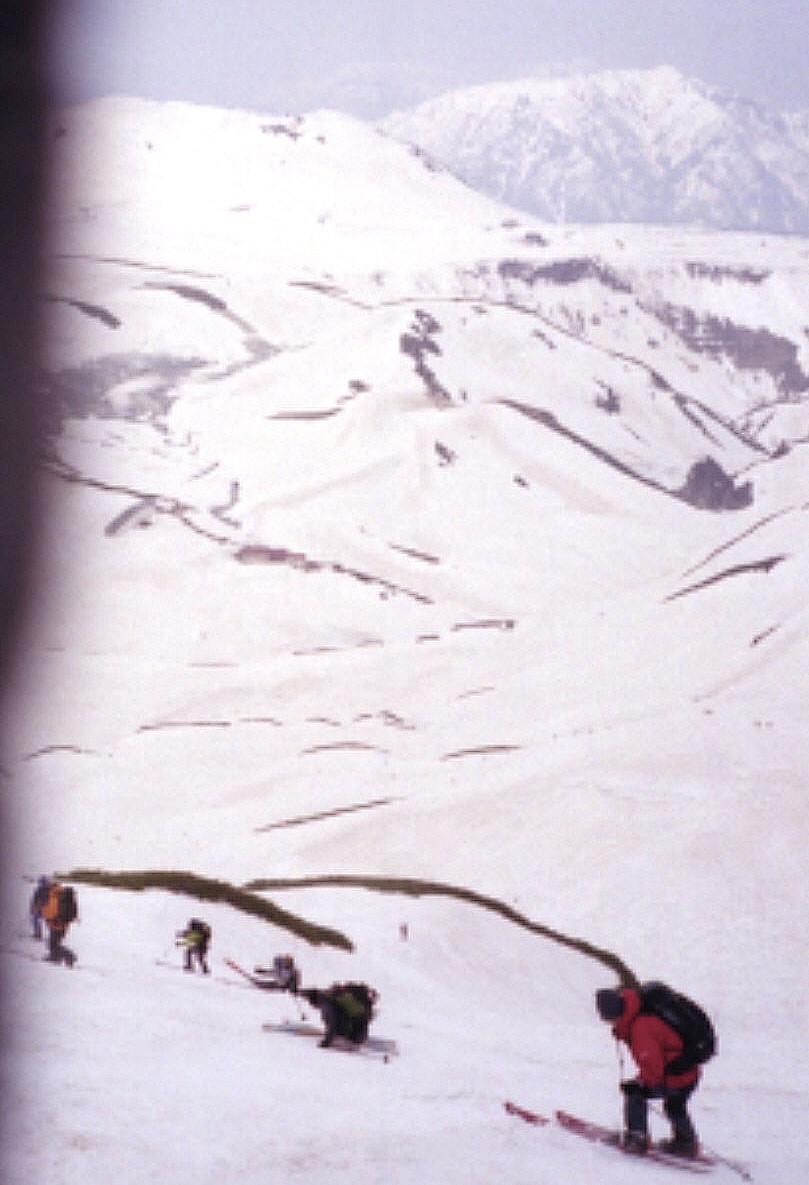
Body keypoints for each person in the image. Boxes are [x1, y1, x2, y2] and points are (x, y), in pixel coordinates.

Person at [595, 986, 701, 1157]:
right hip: (689, 1071)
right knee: (675, 1105)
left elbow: (653, 1069)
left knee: (634, 1094)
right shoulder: (639, 1013)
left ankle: (637, 1139)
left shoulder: (640, 1028)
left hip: (675, 1075)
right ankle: (686, 1143)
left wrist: (637, 1084)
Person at [301, 982, 378, 1048]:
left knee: (335, 1020)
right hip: (361, 1032)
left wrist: (326, 1042)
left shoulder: (327, 1004)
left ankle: (344, 1036)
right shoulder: (336, 996)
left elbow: (332, 1024)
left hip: (353, 1036)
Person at [40, 881, 77, 966]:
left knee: (53, 944)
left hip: (56, 924)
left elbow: (52, 912)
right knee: (54, 943)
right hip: (64, 925)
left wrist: (43, 913)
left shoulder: (55, 896)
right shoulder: (64, 895)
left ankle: (69, 956)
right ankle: (55, 957)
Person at [29, 875, 51, 940]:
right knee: (37, 920)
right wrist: (33, 908)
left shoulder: (45, 890)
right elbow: (34, 900)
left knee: (37, 920)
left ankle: (38, 934)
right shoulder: (41, 890)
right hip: (42, 909)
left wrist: (34, 907)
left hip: (43, 909)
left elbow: (35, 900)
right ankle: (38, 934)